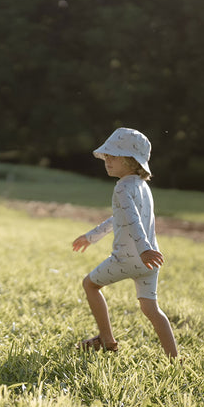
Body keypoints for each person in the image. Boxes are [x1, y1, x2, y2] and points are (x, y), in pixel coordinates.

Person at [72, 127, 178, 359]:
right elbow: (120, 218)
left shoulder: (122, 187)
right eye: (106, 155)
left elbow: (132, 220)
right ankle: (174, 359)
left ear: (131, 161)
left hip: (130, 258)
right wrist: (91, 237)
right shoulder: (143, 187)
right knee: (151, 309)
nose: (107, 160)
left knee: (90, 285)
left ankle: (107, 340)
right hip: (150, 262)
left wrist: (143, 250)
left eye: (113, 155)